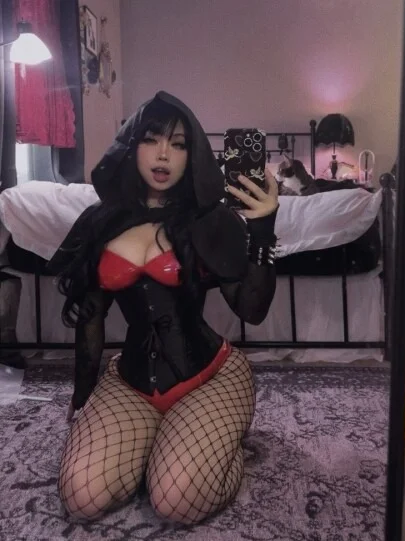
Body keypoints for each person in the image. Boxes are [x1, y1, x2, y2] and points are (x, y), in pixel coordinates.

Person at [47, 91, 279, 524]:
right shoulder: (99, 222)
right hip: (132, 380)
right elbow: (91, 321)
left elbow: (253, 310)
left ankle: (220, 442)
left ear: (193, 154)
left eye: (178, 144)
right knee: (81, 498)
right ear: (130, 145)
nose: (163, 154)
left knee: (177, 504)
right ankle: (165, 442)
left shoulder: (211, 221)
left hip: (209, 377)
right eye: (151, 139)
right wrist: (82, 395)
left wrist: (263, 229)